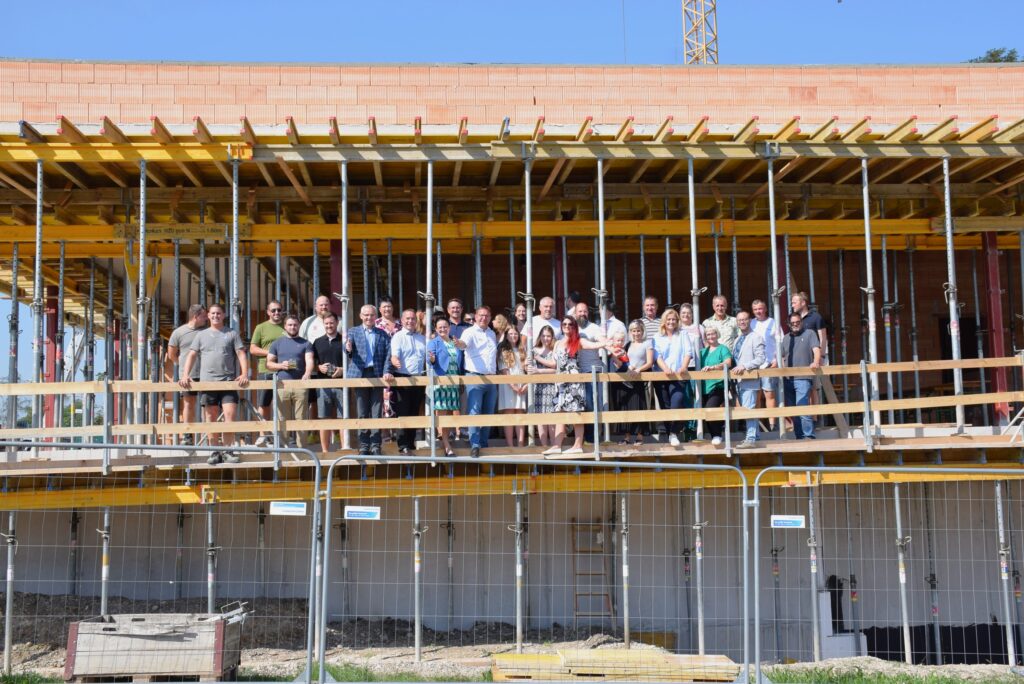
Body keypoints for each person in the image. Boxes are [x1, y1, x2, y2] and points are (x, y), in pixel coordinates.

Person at [178, 304, 249, 465]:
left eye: (219, 313)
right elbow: (191, 355)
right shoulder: (201, 335)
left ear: (223, 315)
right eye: (213, 313)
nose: (216, 316)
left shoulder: (231, 333)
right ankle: (214, 451)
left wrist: (244, 374)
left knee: (230, 416)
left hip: (228, 382)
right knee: (210, 417)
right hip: (207, 383)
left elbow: (241, 354)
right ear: (208, 316)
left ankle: (228, 451)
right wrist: (185, 375)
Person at [543, 317, 610, 455]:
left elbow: (593, 345)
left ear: (574, 327)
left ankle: (578, 445)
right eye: (565, 324)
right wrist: (536, 358)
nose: (567, 326)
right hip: (560, 383)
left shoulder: (579, 340)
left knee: (576, 414)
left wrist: (606, 343)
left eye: (570, 324)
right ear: (561, 326)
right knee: (560, 414)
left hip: (574, 383)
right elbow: (554, 364)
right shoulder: (557, 343)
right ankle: (557, 446)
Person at [345, 304, 394, 455]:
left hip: (377, 374)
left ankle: (375, 445)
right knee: (362, 411)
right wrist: (347, 347)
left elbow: (388, 355)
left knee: (376, 410)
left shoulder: (382, 334)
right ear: (360, 316)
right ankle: (364, 444)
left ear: (375, 317)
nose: (368, 318)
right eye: (365, 315)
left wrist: (387, 372)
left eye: (371, 315)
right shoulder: (353, 331)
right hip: (360, 374)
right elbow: (347, 347)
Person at [453, 306, 498, 458]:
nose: (483, 318)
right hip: (475, 376)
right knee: (474, 411)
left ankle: (484, 442)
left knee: (489, 412)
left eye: (486, 315)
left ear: (490, 317)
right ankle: (475, 444)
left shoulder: (492, 333)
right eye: (480, 315)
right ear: (476, 317)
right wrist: (459, 343)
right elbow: (464, 343)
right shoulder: (469, 332)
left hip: (491, 377)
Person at [266, 315, 314, 448]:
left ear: (299, 326)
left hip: (300, 384)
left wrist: (307, 373)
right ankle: (284, 449)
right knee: (282, 419)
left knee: (302, 419)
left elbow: (310, 360)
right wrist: (281, 365)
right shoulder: (277, 343)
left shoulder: (306, 343)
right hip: (282, 385)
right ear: (285, 326)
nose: (293, 327)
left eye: (295, 325)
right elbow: (269, 364)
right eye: (290, 325)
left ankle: (302, 450)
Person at [653, 308, 694, 447]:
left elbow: (688, 352)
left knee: (678, 402)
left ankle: (674, 432)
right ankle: (670, 433)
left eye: (674, 320)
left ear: (677, 321)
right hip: (661, 375)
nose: (671, 322)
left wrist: (683, 366)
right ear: (664, 321)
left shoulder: (683, 334)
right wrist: (665, 368)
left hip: (678, 375)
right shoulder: (657, 336)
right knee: (665, 406)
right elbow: (656, 355)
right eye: (668, 319)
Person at [167, 304, 208, 444]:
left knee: (207, 404)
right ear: (196, 316)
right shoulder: (179, 332)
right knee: (188, 403)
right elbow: (171, 354)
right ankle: (187, 435)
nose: (206, 318)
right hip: (187, 376)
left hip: (206, 374)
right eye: (204, 316)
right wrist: (183, 367)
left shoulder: (207, 331)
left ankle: (208, 435)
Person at [389, 309, 427, 454]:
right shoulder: (398, 337)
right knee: (403, 412)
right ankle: (403, 445)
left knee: (414, 411)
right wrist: (395, 360)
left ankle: (410, 443)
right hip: (402, 378)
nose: (410, 321)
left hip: (418, 378)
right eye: (407, 319)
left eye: (412, 319)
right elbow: (394, 355)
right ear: (402, 320)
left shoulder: (421, 338)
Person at [610, 320, 654, 445]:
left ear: (642, 331)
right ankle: (627, 437)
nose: (636, 333)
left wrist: (638, 369)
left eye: (638, 330)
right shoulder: (627, 345)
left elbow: (650, 362)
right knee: (626, 407)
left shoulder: (647, 344)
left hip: (639, 379)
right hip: (626, 380)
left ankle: (640, 436)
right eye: (633, 331)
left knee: (639, 406)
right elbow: (622, 362)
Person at [248, 300, 285, 447]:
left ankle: (283, 436)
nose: (277, 313)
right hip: (266, 370)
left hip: (285, 370)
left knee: (284, 404)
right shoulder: (261, 327)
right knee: (264, 403)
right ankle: (263, 435)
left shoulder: (287, 326)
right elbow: (253, 349)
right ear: (268, 312)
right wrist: (271, 353)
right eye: (274, 310)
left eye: (279, 310)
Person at [780, 313, 821, 439]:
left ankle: (809, 435)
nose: (795, 324)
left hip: (803, 377)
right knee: (793, 410)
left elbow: (816, 350)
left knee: (802, 406)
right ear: (789, 324)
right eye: (792, 323)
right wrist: (782, 372)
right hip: (788, 379)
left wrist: (815, 361)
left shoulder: (809, 333)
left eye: (797, 322)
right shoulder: (786, 338)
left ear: (801, 322)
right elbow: (781, 356)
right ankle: (799, 436)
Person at [427, 317, 464, 457]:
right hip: (441, 381)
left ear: (449, 327)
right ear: (436, 329)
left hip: (454, 381)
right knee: (441, 413)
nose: (443, 329)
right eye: (440, 327)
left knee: (449, 414)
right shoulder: (433, 343)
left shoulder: (454, 341)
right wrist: (431, 359)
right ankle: (446, 445)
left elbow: (462, 353)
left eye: (445, 327)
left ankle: (446, 440)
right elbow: (430, 360)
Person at [731, 310, 766, 449]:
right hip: (739, 382)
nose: (742, 322)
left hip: (750, 380)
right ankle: (755, 436)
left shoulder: (756, 337)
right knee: (747, 409)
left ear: (750, 320)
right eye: (739, 320)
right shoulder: (737, 339)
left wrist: (744, 366)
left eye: (744, 319)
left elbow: (760, 358)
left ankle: (750, 438)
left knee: (749, 409)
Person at [573, 301, 608, 443]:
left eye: (585, 311)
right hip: (575, 372)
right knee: (576, 405)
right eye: (580, 311)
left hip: (591, 371)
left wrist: (610, 345)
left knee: (590, 404)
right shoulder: (571, 327)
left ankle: (591, 438)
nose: (582, 314)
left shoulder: (594, 328)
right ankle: (579, 437)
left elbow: (601, 340)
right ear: (575, 313)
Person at [313, 312, 346, 453]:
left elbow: (353, 361)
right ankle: (325, 452)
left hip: (342, 385)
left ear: (337, 323)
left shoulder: (345, 341)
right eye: (326, 323)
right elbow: (311, 363)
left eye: (331, 323)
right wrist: (318, 367)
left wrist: (342, 370)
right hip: (323, 385)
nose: (329, 326)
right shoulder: (317, 342)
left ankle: (345, 448)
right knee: (324, 418)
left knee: (343, 418)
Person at [699, 327, 732, 446]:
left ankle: (717, 435)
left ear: (717, 334)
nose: (711, 336)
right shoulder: (703, 352)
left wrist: (713, 367)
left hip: (718, 385)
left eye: (713, 334)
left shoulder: (723, 348)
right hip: (704, 386)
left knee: (710, 408)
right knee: (706, 412)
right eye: (708, 335)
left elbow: (728, 363)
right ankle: (714, 435)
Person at [496, 326, 528, 447]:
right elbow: (504, 370)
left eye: (515, 334)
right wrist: (513, 386)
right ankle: (510, 445)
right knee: (509, 412)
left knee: (520, 412)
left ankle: (520, 444)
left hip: (521, 383)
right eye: (510, 334)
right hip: (508, 384)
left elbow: (526, 368)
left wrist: (525, 384)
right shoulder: (503, 349)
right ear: (506, 335)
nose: (513, 336)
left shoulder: (522, 349)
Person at [528, 324, 558, 448]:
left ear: (552, 337)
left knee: (551, 419)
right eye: (544, 336)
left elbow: (556, 369)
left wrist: (539, 370)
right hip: (537, 388)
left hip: (551, 387)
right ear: (540, 336)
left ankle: (553, 446)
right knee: (540, 418)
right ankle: (544, 446)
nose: (546, 338)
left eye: (548, 336)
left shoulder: (554, 350)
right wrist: (527, 364)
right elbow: (528, 368)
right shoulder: (533, 350)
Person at [678, 303, 705, 442]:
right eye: (683, 313)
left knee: (698, 397)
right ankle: (688, 428)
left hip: (697, 366)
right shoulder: (678, 329)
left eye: (688, 313)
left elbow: (705, 346)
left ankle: (696, 427)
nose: (686, 315)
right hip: (683, 367)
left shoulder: (699, 327)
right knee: (686, 397)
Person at [751, 299, 779, 430]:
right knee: (756, 396)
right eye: (756, 309)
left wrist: (776, 359)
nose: (758, 311)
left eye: (760, 309)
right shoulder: (751, 323)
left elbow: (780, 342)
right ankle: (756, 425)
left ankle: (772, 425)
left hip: (768, 364)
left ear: (765, 309)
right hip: (754, 365)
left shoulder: (773, 322)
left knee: (769, 394)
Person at [639, 296, 663, 439]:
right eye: (647, 306)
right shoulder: (639, 323)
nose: (650, 308)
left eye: (652, 305)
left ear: (657, 307)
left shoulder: (662, 323)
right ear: (643, 307)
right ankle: (645, 428)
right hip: (645, 366)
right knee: (646, 399)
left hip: (660, 366)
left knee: (660, 399)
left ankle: (661, 429)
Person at [791, 292, 827, 362]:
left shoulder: (816, 317)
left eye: (794, 303)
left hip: (814, 358)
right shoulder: (793, 319)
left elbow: (823, 338)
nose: (792, 305)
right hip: (798, 359)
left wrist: (821, 356)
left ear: (803, 303)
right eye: (792, 303)